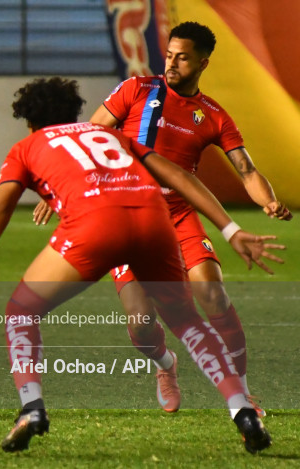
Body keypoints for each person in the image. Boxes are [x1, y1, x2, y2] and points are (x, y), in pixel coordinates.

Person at [0, 77, 281, 453]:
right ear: (74, 112)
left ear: (30, 121)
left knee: (21, 311)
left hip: (96, 227)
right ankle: (242, 412)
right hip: (154, 219)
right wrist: (231, 230)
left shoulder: (27, 145)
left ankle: (31, 409)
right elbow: (178, 175)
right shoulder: (110, 135)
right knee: (185, 320)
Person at [82, 21, 292, 414]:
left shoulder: (213, 115)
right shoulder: (137, 90)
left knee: (213, 294)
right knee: (142, 323)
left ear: (203, 63)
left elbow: (246, 169)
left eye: (183, 58)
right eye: (169, 55)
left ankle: (242, 392)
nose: (172, 63)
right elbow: (90, 137)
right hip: (129, 220)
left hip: (179, 216)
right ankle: (166, 364)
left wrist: (269, 201)